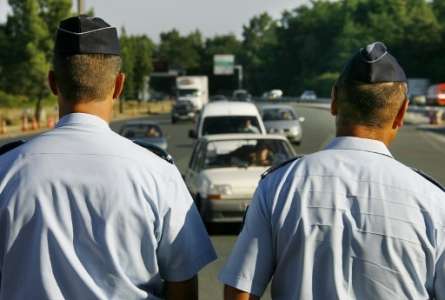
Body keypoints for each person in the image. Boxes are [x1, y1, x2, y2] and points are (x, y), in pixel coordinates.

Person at [0, 16, 216, 300]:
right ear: (118, 85)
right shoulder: (157, 174)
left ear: (53, 82)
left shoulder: (7, 169)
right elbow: (183, 285)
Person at [219, 42, 445, 299]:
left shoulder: (279, 185)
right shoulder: (433, 202)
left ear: (334, 100)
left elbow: (241, 290)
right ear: (402, 112)